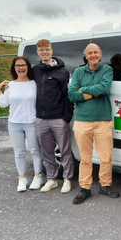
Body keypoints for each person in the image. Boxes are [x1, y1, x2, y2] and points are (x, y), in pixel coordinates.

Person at [68, 43, 120, 204]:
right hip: (82, 121)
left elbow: (104, 89)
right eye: (90, 53)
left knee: (106, 157)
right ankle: (85, 188)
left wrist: (82, 90)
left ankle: (105, 185)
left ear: (100, 54)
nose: (93, 55)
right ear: (86, 55)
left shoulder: (107, 70)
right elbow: (71, 95)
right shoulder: (78, 71)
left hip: (103, 120)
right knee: (85, 158)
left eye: (95, 52)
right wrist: (93, 93)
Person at [32, 39, 75, 194]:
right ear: (38, 52)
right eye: (41, 50)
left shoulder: (62, 72)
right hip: (41, 119)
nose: (44, 52)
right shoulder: (35, 70)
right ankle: (52, 179)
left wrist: (65, 118)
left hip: (58, 119)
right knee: (47, 151)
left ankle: (67, 179)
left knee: (65, 151)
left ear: (51, 51)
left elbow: (68, 97)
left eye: (47, 49)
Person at [0, 56, 43, 192]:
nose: (21, 68)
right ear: (14, 68)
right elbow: (3, 104)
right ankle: (22, 178)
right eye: (18, 65)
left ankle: (37, 176)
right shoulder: (10, 85)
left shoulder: (34, 84)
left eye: (23, 65)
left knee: (35, 150)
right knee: (19, 152)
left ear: (28, 67)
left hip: (31, 122)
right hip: (14, 124)